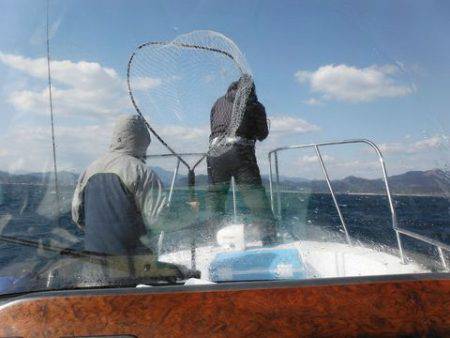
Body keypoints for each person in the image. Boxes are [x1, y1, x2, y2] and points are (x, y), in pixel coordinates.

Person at [72, 115, 166, 257]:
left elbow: (77, 217)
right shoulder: (143, 172)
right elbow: (158, 221)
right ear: (143, 140)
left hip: (94, 260)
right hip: (133, 267)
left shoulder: (88, 170)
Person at [207, 76, 277, 245]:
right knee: (256, 200)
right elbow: (262, 134)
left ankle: (212, 240)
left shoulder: (218, 102)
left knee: (215, 200)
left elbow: (214, 126)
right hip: (240, 152)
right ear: (251, 90)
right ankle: (269, 239)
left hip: (215, 154)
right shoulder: (255, 104)